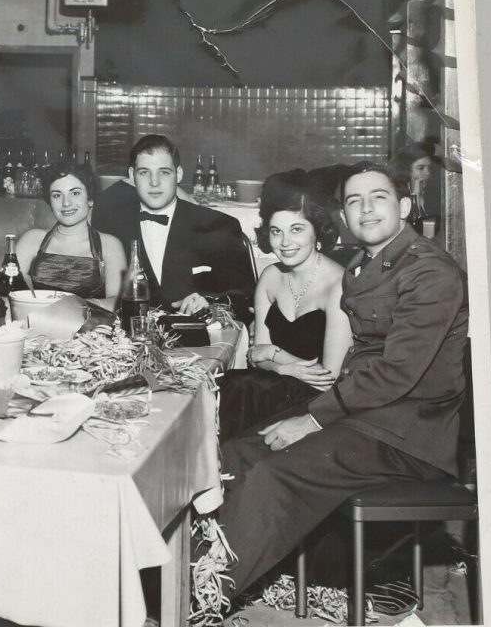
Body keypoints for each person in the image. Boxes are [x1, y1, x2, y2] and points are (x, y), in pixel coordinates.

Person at [200, 161, 468, 609]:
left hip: (408, 435)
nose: (365, 209)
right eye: (353, 201)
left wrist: (313, 418)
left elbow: (397, 373)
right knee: (234, 454)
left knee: (271, 474)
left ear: (404, 206)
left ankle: (204, 600)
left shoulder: (430, 273)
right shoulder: (363, 265)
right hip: (367, 417)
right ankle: (188, 579)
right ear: (343, 214)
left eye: (378, 198)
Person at [218, 170, 351, 439]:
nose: (285, 242)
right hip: (273, 386)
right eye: (276, 231)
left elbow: (327, 378)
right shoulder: (270, 277)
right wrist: (282, 366)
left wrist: (272, 352)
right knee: (234, 388)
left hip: (316, 405)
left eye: (297, 229)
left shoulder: (337, 286)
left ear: (318, 231)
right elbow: (256, 357)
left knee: (244, 395)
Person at [93, 134, 256, 318]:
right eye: (144, 172)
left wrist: (210, 301)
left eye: (164, 172)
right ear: (132, 176)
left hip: (200, 338)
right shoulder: (113, 226)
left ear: (178, 174)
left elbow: (243, 293)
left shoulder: (218, 225)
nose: (154, 182)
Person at [14, 162, 126, 298]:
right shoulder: (31, 239)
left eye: (75, 193)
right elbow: (11, 292)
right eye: (57, 195)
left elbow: (116, 304)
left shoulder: (110, 245)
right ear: (50, 203)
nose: (66, 203)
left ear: (90, 199)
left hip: (90, 320)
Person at [389, 142, 435, 234]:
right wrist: (415, 194)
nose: (428, 173)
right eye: (421, 168)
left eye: (429, 168)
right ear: (406, 170)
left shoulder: (431, 193)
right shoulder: (395, 195)